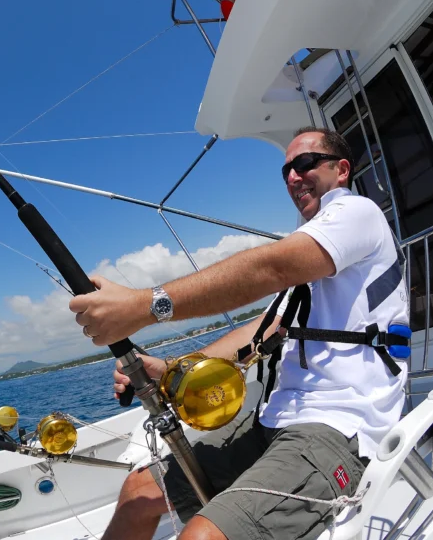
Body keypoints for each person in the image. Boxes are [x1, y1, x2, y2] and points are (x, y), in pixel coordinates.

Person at [68, 127, 410, 540]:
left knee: (200, 536)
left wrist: (142, 307)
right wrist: (165, 369)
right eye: (285, 171)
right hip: (272, 420)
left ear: (341, 170)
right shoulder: (318, 268)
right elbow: (258, 332)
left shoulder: (357, 213)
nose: (292, 178)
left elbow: (271, 268)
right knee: (139, 490)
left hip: (338, 428)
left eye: (304, 164)